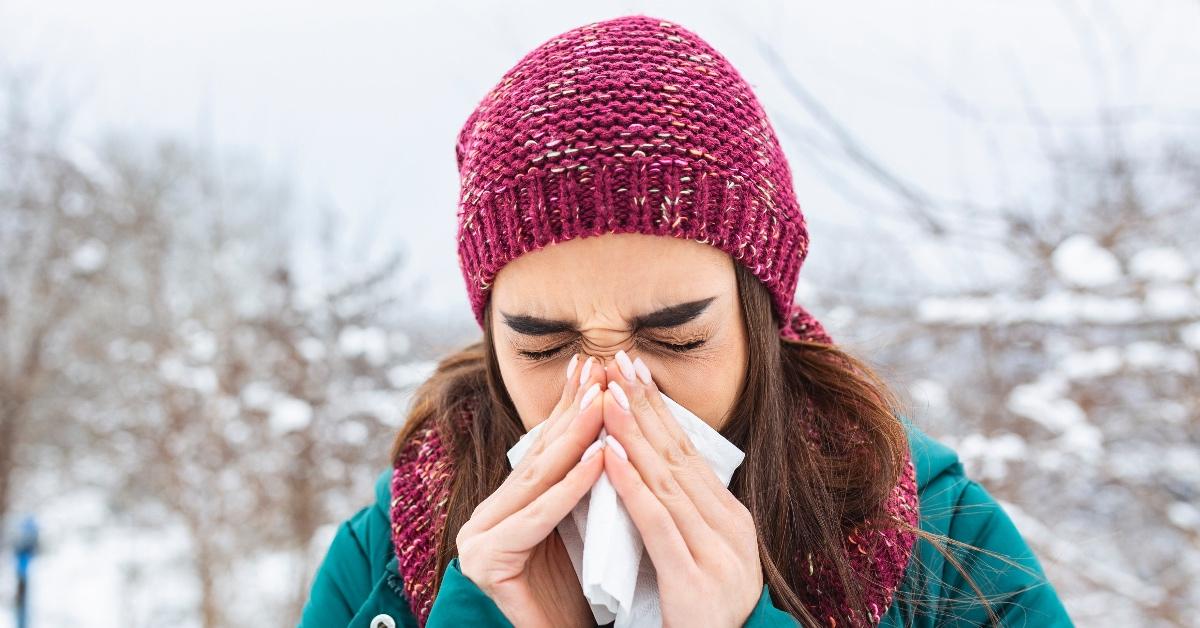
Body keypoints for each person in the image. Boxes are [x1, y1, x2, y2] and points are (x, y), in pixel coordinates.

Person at [298, 14, 1074, 628]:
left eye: (675, 337)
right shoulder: (388, 561)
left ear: (761, 317)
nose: (610, 390)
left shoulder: (931, 535)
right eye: (542, 345)